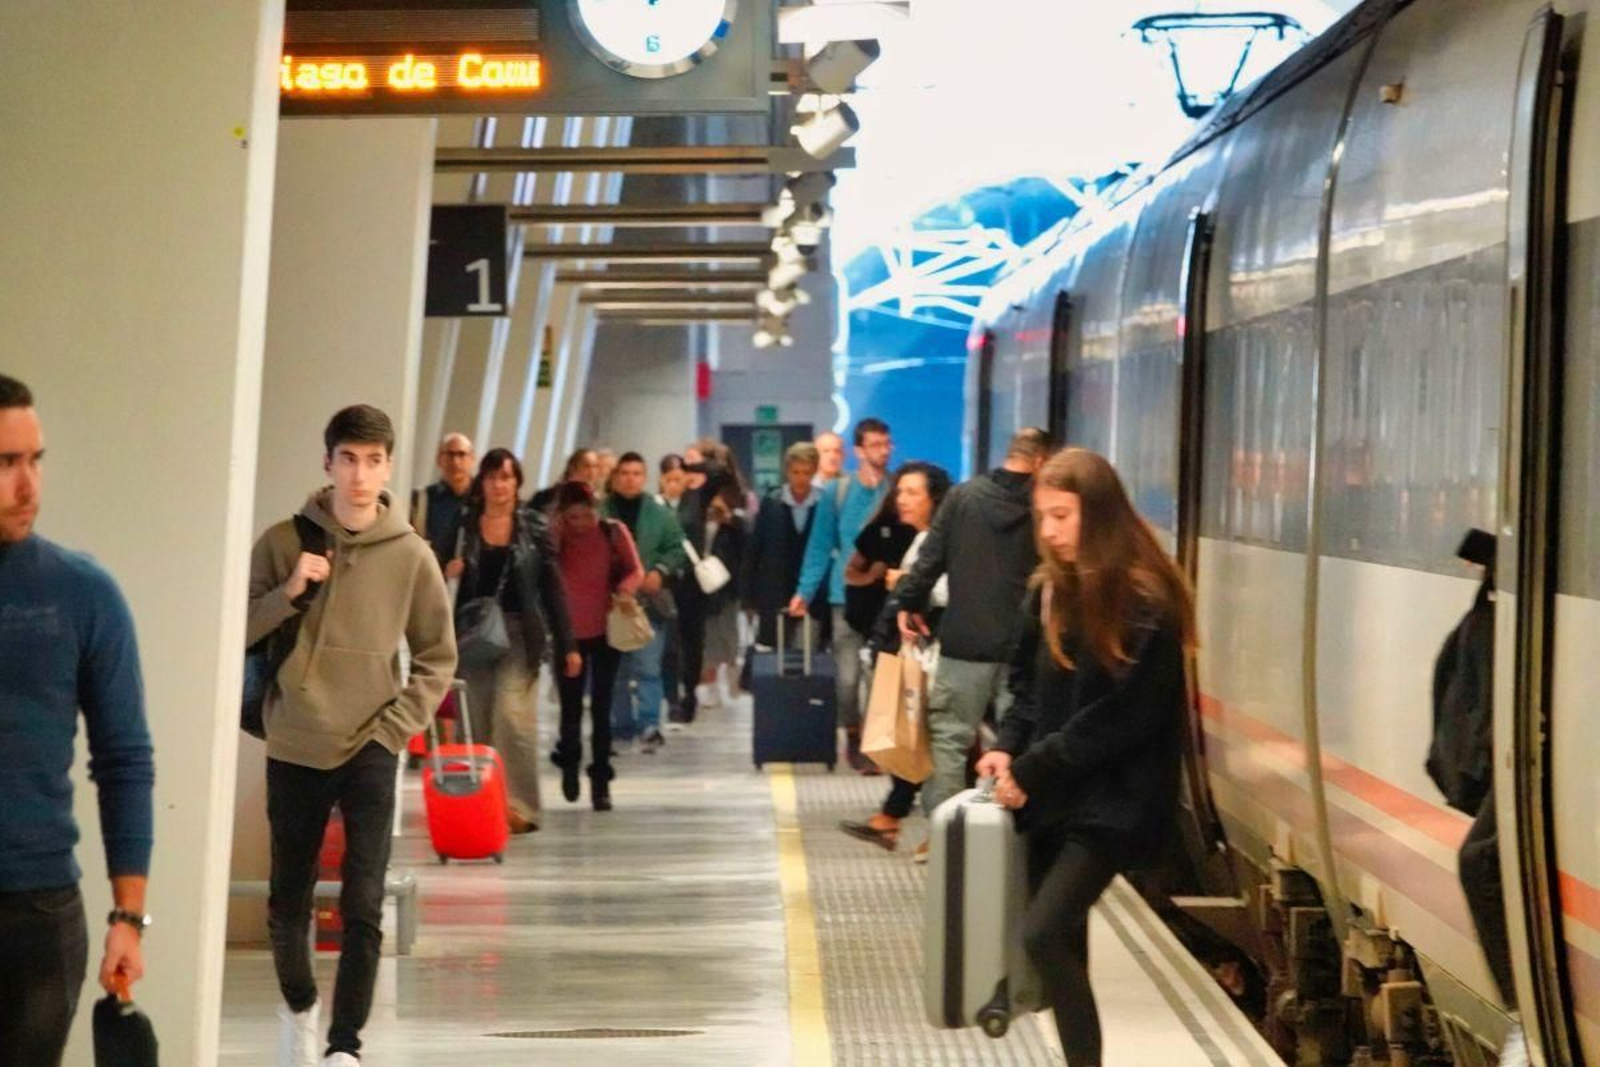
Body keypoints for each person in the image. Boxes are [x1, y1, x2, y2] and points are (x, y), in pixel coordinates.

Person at [246, 405, 456, 1067]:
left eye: (373, 460)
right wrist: (289, 590)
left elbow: (437, 656)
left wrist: (392, 731)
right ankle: (300, 1007)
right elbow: (234, 627)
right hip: (295, 739)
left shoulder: (411, 554)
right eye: (348, 459)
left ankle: (345, 1046)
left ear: (388, 466)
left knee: (364, 900)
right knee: (288, 899)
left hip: (371, 742)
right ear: (328, 462)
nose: (360, 475)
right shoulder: (284, 541)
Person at [975, 447, 1195, 1067]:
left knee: (1043, 934)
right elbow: (1024, 688)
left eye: (1061, 516)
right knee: (1062, 946)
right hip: (1055, 797)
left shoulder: (1147, 603)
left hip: (1114, 803)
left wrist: (1032, 767)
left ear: (1097, 515)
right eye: (1042, 517)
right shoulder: (1049, 592)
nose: (1048, 532)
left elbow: (1122, 718)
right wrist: (1006, 749)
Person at [0, 374, 155, 1067]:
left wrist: (128, 917)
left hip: (37, 911)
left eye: (35, 459)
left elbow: (124, 759)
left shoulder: (82, 593)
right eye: (6, 462)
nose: (28, 484)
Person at [898, 427, 1049, 854]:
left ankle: (947, 840)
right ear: (1041, 461)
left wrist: (908, 604)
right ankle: (1010, 841)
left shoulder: (963, 498)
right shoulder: (1046, 506)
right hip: (1026, 646)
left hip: (967, 640)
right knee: (1020, 741)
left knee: (949, 739)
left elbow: (930, 560)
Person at [449, 449, 580, 835]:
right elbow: (430, 571)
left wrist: (569, 644)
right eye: (492, 477)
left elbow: (552, 587)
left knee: (512, 717)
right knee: (475, 721)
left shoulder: (533, 526)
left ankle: (519, 805)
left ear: (517, 482)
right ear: (482, 482)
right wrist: (449, 569)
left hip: (521, 632)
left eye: (506, 477)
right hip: (472, 633)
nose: (499, 485)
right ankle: (478, 803)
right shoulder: (463, 526)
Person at [837, 461, 952, 851]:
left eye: (912, 493)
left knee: (933, 741)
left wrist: (904, 583)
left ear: (935, 499)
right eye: (900, 491)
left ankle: (930, 829)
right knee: (919, 737)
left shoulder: (943, 540)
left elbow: (948, 591)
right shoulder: (922, 539)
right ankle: (896, 818)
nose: (902, 500)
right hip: (917, 652)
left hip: (938, 654)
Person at [788, 417, 893, 772]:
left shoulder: (895, 490)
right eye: (876, 445)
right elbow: (820, 545)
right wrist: (804, 591)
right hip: (844, 597)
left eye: (887, 444)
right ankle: (852, 731)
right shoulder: (838, 493)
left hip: (886, 598)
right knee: (847, 679)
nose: (883, 451)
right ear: (859, 451)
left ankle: (875, 747)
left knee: (880, 677)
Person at [550, 481, 642, 810]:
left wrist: (625, 589)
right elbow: (544, 570)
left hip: (606, 631)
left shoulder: (613, 532)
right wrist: (556, 531)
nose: (581, 524)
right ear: (563, 515)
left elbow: (635, 570)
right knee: (570, 707)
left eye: (587, 516)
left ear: (596, 509)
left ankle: (601, 780)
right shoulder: (557, 537)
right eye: (573, 517)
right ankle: (570, 762)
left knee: (602, 707)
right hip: (568, 635)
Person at [602, 452, 687, 753]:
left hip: (648, 603)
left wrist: (660, 571)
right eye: (624, 473)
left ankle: (649, 724)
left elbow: (677, 548)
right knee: (615, 671)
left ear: (645, 477)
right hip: (610, 604)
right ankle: (620, 726)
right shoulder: (599, 513)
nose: (630, 479)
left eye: (636, 473)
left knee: (648, 666)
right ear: (615, 477)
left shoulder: (659, 514)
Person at [742, 442, 824, 649]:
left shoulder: (823, 502)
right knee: (774, 651)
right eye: (796, 472)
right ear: (787, 471)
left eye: (807, 472)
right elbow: (755, 549)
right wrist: (748, 597)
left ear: (814, 471)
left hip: (812, 592)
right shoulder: (772, 502)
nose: (801, 478)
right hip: (774, 590)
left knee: (809, 651)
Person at [694, 468, 750, 708]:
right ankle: (710, 682)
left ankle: (730, 675)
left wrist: (728, 519)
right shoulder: (696, 515)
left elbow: (747, 547)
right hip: (701, 586)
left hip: (728, 587)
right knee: (707, 637)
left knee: (728, 634)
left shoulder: (737, 521)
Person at [410, 432, 474, 567]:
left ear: (472, 459)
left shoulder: (483, 499)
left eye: (462, 454)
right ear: (439, 459)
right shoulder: (421, 499)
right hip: (430, 573)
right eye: (450, 455)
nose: (456, 461)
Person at [528, 448, 601, 512]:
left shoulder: (596, 500)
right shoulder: (547, 497)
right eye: (586, 466)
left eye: (595, 466)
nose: (592, 471)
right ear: (572, 468)